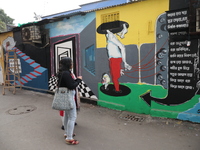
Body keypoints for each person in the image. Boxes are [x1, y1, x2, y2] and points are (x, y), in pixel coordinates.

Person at [57, 57, 82, 145]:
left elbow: (69, 83)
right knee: (72, 117)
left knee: (67, 115)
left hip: (64, 96)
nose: (72, 64)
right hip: (69, 97)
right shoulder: (66, 73)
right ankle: (69, 138)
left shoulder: (61, 73)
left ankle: (67, 133)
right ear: (68, 64)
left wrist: (75, 80)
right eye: (71, 62)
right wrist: (79, 79)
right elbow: (72, 85)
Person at [105, 22, 132, 92]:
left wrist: (125, 62)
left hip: (115, 59)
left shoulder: (111, 37)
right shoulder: (110, 37)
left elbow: (122, 47)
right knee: (113, 75)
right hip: (113, 59)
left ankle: (117, 90)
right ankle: (116, 88)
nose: (107, 34)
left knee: (115, 77)